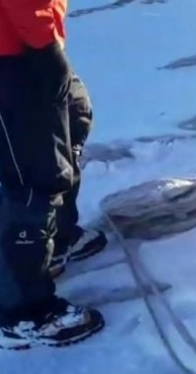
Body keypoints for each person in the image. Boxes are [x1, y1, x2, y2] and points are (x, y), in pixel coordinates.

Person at [0, 0, 107, 349]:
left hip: (30, 41)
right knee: (34, 175)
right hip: (14, 55)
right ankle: (22, 311)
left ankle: (56, 239)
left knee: (74, 117)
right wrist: (44, 47)